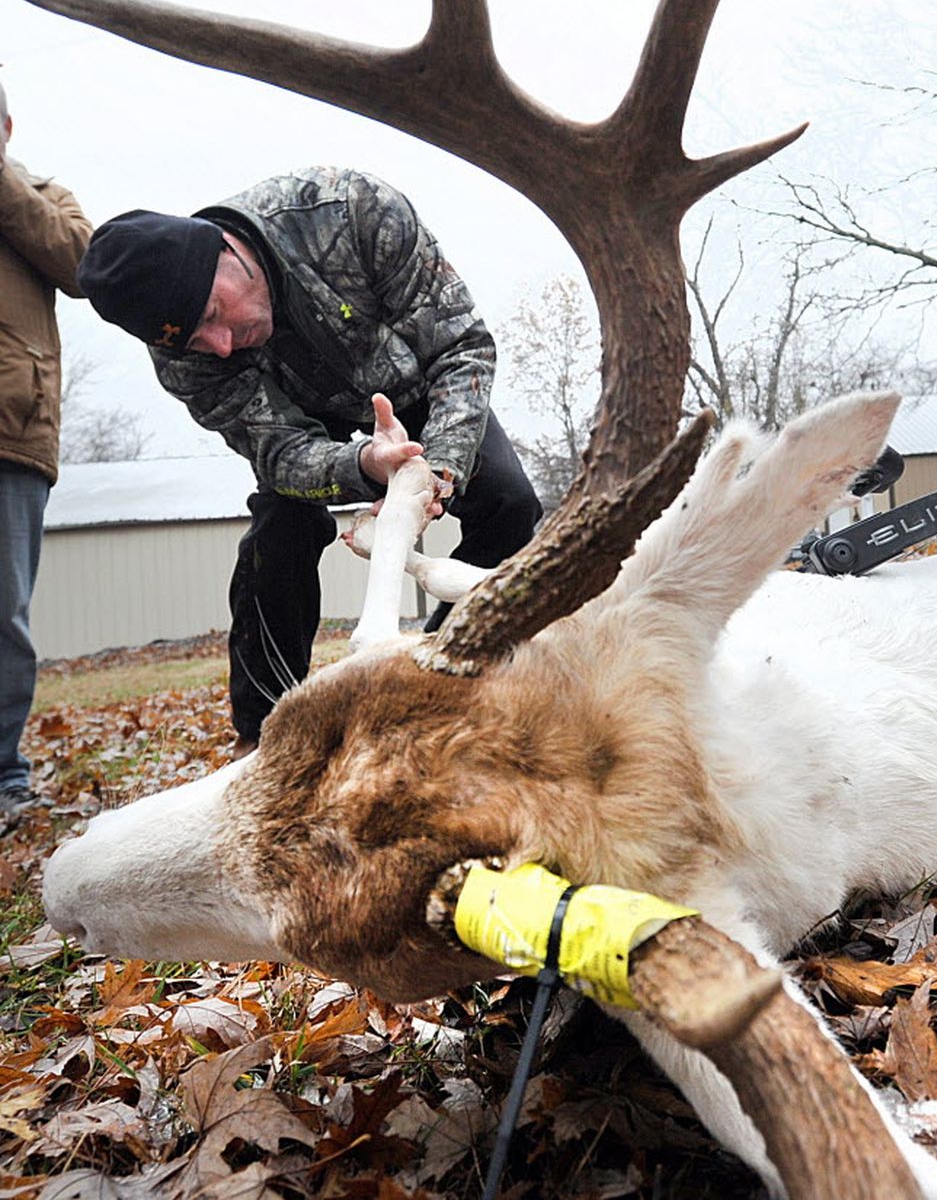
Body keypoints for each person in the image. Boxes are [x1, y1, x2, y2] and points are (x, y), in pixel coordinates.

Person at [77, 166, 541, 751]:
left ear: (227, 251)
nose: (220, 346)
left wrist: (438, 471)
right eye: (197, 341)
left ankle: (439, 679)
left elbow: (461, 348)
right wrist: (364, 467)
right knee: (280, 530)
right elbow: (279, 451)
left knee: (509, 503)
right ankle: (264, 736)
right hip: (304, 423)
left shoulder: (351, 211)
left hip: (418, 384)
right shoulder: (182, 358)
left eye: (215, 316)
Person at [0, 81, 92, 827]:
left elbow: (81, 263)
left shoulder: (41, 192)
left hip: (11, 431)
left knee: (4, 614)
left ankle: (4, 777)